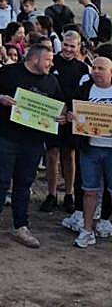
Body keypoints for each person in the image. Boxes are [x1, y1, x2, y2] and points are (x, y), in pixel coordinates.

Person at [0, 42, 65, 249]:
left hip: (33, 142)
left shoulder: (51, 81)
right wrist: (0, 98)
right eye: (48, 60)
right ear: (34, 59)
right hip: (5, 137)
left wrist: (62, 117)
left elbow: (60, 107)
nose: (51, 64)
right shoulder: (9, 72)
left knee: (24, 184)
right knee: (0, 181)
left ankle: (21, 226)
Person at [68, 54, 112, 247]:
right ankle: (87, 230)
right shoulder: (84, 90)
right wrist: (71, 116)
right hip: (90, 149)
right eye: (94, 68)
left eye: (101, 68)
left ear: (110, 72)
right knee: (89, 190)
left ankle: (105, 223)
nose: (96, 71)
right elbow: (73, 111)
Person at [44, 31, 88, 214]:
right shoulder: (50, 60)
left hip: (71, 118)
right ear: (61, 44)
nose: (68, 49)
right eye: (66, 45)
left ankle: (69, 194)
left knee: (69, 156)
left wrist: (72, 113)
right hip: (51, 116)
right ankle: (51, 194)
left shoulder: (83, 68)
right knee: (52, 154)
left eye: (73, 46)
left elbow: (85, 96)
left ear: (78, 47)